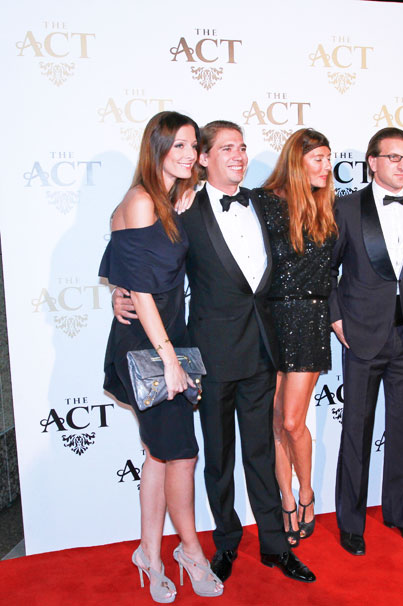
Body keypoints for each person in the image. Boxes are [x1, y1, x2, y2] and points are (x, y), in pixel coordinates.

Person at [114, 120, 315, 584]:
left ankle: (275, 544)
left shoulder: (264, 202)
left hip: (261, 347)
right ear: (204, 159)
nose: (239, 156)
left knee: (262, 451)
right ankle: (225, 543)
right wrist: (119, 292)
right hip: (211, 351)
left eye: (242, 148)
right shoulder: (180, 207)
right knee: (219, 458)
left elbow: (317, 197)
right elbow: (126, 232)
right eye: (227, 148)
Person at [99, 111, 223, 602]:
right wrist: (169, 358)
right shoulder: (141, 201)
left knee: (158, 455)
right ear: (157, 148)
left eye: (194, 146)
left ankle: (149, 554)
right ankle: (191, 551)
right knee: (183, 455)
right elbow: (142, 290)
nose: (190, 155)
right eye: (180, 146)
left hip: (168, 338)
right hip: (147, 349)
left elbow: (125, 260)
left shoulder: (166, 200)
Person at [330, 127, 403, 556]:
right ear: (372, 162)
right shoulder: (345, 207)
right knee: (356, 430)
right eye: (393, 157)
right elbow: (327, 271)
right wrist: (337, 319)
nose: (402, 165)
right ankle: (351, 523)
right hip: (361, 335)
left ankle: (401, 514)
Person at [252, 128, 337, 547]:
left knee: (291, 420)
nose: (327, 167)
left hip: (308, 320)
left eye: (328, 158)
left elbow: (379, 200)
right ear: (296, 162)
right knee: (274, 421)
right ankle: (285, 497)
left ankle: (306, 492)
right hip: (268, 320)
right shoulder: (262, 202)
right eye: (318, 159)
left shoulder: (330, 206)